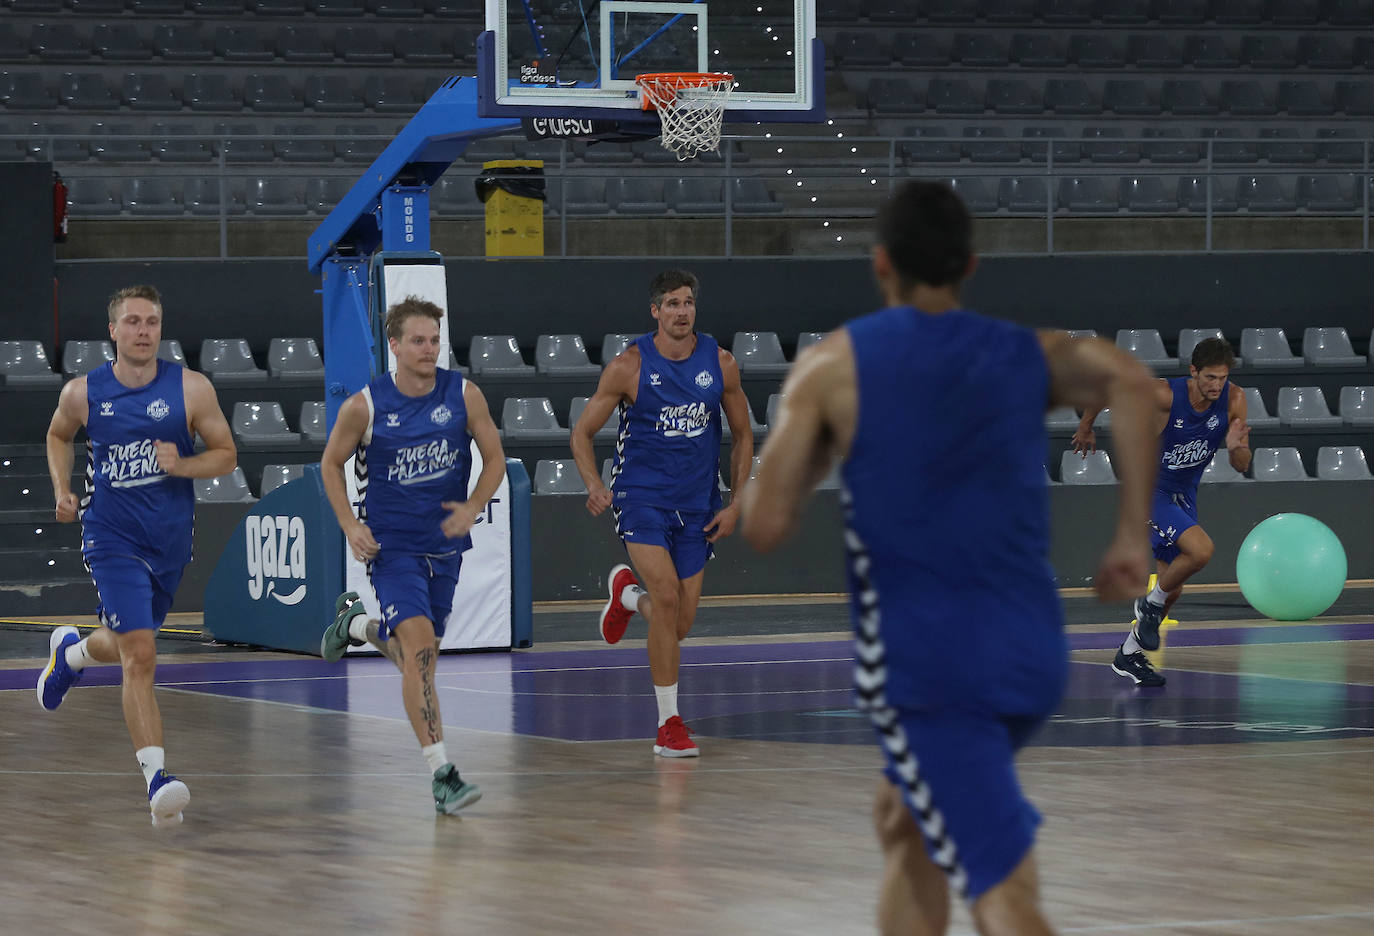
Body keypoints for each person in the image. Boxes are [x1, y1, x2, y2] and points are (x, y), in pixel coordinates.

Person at [739, 181, 1160, 936]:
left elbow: (764, 524)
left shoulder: (835, 367)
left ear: (880, 265)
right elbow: (1132, 381)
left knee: (1003, 895)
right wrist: (1131, 533)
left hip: (931, 670)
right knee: (904, 819)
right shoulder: (1029, 351)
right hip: (1033, 653)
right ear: (969, 264)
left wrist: (805, 445)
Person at [42, 284, 238, 826]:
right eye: (132, 322)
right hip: (110, 538)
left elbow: (226, 456)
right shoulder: (84, 392)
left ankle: (72, 656)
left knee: (132, 644)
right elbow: (58, 436)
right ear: (113, 331)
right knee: (142, 655)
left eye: (151, 321)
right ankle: (158, 778)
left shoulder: (191, 389)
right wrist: (62, 488)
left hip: (170, 540)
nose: (143, 331)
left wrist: (183, 465)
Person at [318, 296, 505, 815]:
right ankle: (442, 774)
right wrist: (351, 525)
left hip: (445, 548)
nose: (429, 349)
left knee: (415, 660)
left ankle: (357, 627)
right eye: (418, 341)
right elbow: (330, 464)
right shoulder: (366, 405)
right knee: (420, 652)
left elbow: (495, 459)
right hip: (392, 549)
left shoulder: (464, 394)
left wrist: (473, 506)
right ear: (395, 346)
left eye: (434, 339)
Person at [569, 270, 754, 758]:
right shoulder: (629, 366)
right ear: (655, 311)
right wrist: (593, 483)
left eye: (688, 302)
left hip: (698, 505)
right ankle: (668, 724)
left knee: (677, 622)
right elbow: (581, 433)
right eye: (671, 303)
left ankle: (627, 598)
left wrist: (736, 502)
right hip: (640, 498)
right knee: (668, 598)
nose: (681, 311)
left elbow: (744, 434)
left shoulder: (721, 362)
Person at [1072, 337, 1250, 688]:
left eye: (1222, 378)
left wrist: (1235, 448)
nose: (1217, 386)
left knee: (1175, 588)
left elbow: (1242, 464)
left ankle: (1128, 654)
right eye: (1210, 378)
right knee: (1201, 550)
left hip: (1184, 495)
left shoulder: (1235, 400)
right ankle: (1150, 607)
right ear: (1193, 371)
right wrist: (1086, 426)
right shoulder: (1164, 395)